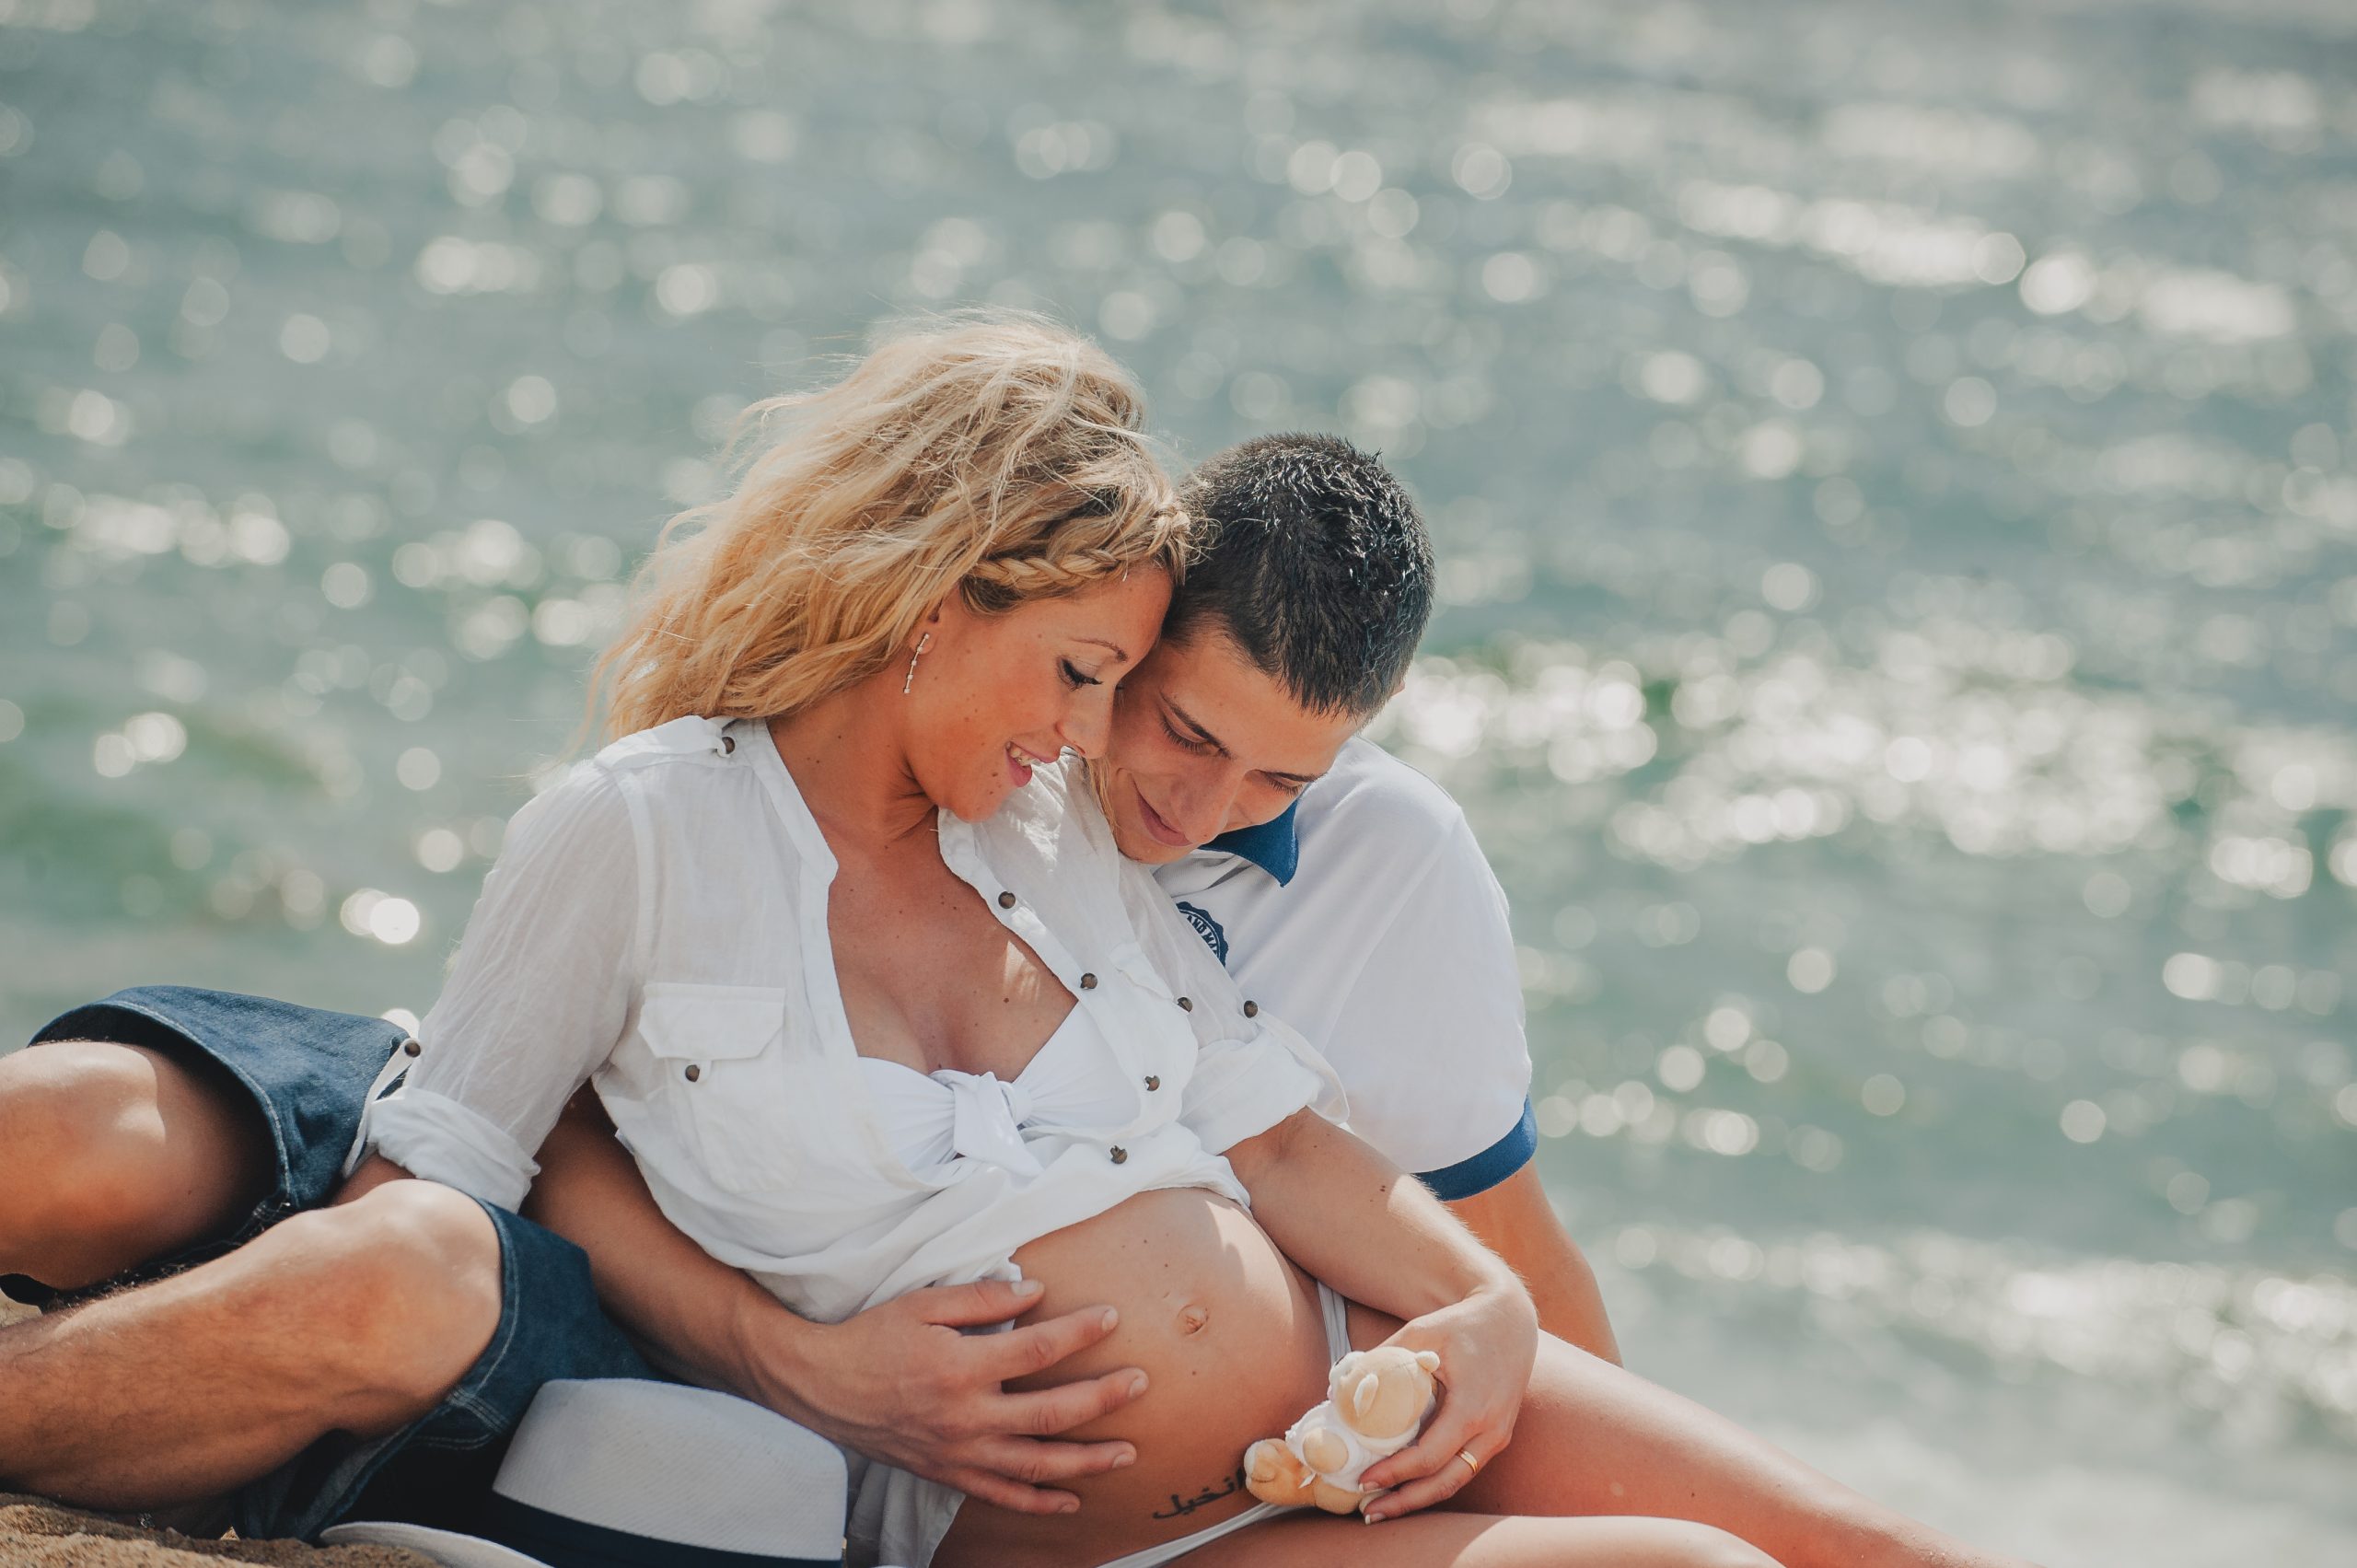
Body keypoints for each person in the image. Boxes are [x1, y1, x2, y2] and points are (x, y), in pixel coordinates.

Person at [0, 314, 2035, 1568]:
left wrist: (1479, 1313)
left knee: (1841, 1548)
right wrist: (794, 1355)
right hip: (1081, 1533)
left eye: (1119, 680)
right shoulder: (637, 831)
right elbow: (478, 1158)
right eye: (1083, 670)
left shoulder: (1060, 834)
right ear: (923, 600)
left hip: (1320, 1412)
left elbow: (1277, 1136)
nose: (1103, 742)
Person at [517, 429, 1619, 1525]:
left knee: (1782, 1537)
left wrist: (1498, 1308)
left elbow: (1464, 1207)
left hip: (1354, 1378)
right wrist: (784, 1359)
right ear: (1134, 640)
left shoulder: (1387, 854)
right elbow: (556, 1124)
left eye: (1278, 777)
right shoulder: (973, 802)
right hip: (1076, 1505)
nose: (1200, 807)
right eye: (1181, 728)